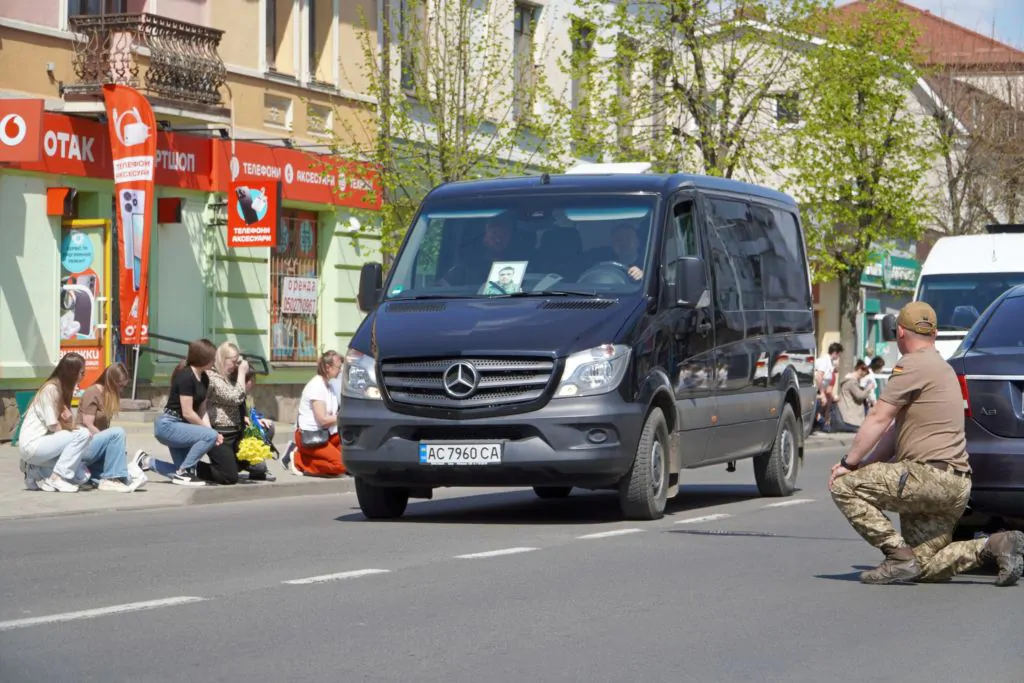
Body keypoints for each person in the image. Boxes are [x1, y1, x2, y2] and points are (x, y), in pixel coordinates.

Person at [829, 302, 1024, 586]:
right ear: (934, 334)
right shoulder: (943, 369)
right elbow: (895, 432)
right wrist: (868, 464)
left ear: (900, 333)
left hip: (926, 477)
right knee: (923, 565)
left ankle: (896, 556)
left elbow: (879, 417)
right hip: (956, 485)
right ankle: (995, 545)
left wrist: (849, 465)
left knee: (843, 487)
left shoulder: (911, 364)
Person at [152, 339, 222, 487]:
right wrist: (210, 434)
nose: (214, 362)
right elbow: (188, 412)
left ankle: (146, 462)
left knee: (188, 472)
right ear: (203, 359)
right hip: (169, 425)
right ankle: (183, 472)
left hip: (181, 426)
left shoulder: (204, 378)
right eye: (212, 359)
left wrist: (212, 432)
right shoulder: (186, 377)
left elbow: (202, 409)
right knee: (185, 471)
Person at [18, 353, 91, 493]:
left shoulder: (62, 390)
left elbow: (63, 429)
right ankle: (56, 478)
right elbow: (53, 426)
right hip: (33, 444)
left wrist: (69, 423)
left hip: (45, 446)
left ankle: (34, 470)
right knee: (83, 434)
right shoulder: (51, 389)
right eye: (82, 372)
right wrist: (71, 432)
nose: (84, 375)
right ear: (72, 372)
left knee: (82, 475)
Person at [75, 362, 148, 492]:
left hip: (96, 445)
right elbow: (88, 424)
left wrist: (114, 449)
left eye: (124, 386)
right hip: (84, 444)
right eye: (120, 386)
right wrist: (108, 443)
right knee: (117, 432)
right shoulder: (92, 392)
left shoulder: (109, 395)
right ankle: (112, 479)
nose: (121, 390)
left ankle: (110, 478)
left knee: (117, 458)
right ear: (111, 382)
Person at [286, 350, 345, 477]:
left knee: (349, 458)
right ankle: (298, 459)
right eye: (338, 367)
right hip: (310, 436)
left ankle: (305, 455)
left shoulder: (328, 385)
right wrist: (343, 417)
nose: (340, 370)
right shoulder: (317, 386)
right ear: (328, 367)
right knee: (341, 465)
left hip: (325, 434)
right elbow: (323, 419)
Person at [831, 360, 871, 433]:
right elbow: (860, 396)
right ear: (860, 370)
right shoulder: (852, 382)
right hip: (850, 417)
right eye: (864, 374)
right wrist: (868, 389)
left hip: (848, 414)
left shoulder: (850, 380)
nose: (863, 377)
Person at [813, 342, 843, 431]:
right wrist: (822, 394)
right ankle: (820, 422)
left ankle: (820, 422)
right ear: (835, 353)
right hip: (816, 390)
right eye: (838, 355)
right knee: (818, 405)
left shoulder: (829, 362)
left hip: (819, 390)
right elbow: (819, 378)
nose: (838, 357)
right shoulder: (824, 361)